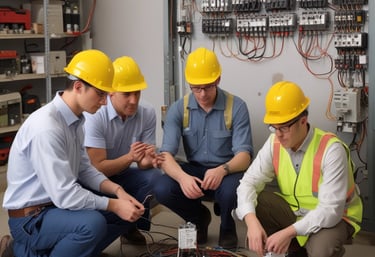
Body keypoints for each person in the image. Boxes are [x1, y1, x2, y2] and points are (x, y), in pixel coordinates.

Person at [2, 49, 146, 257]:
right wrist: (113, 205)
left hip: (52, 209)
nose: (105, 102)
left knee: (116, 214)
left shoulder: (76, 120)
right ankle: (21, 250)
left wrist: (117, 192)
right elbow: (65, 194)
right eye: (100, 94)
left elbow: (84, 168)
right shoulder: (47, 127)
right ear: (78, 87)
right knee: (92, 224)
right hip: (31, 219)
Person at [235, 81, 363, 257]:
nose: (278, 134)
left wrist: (287, 232)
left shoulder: (331, 150)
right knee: (249, 205)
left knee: (321, 250)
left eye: (284, 127)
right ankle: (295, 249)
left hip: (335, 217)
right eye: (273, 127)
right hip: (296, 211)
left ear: (303, 121)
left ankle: (305, 245)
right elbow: (248, 183)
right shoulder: (275, 142)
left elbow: (330, 210)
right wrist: (251, 222)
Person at [153, 47, 254, 249]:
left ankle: (227, 226)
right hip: (195, 169)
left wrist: (222, 170)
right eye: (196, 88)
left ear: (217, 80)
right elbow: (166, 155)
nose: (202, 94)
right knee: (162, 188)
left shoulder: (237, 107)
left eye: (207, 87)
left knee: (231, 191)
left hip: (227, 170)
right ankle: (199, 218)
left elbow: (245, 156)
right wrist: (183, 178)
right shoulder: (178, 109)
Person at [83, 56, 162, 245]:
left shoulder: (147, 112)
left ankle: (128, 227)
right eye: (126, 94)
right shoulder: (95, 115)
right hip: (91, 179)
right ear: (111, 92)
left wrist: (150, 160)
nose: (133, 100)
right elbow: (97, 168)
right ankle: (96, 240)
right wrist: (130, 157)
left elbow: (142, 164)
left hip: (122, 173)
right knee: (95, 223)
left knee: (155, 177)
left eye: (137, 93)